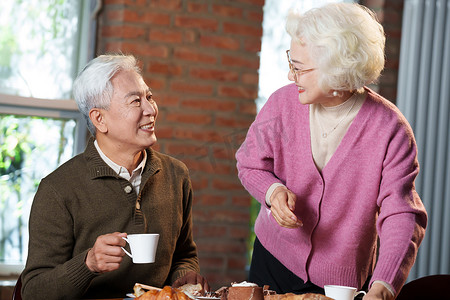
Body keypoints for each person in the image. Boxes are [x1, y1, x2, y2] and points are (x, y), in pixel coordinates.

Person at [235, 3, 427, 300]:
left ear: (337, 68)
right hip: (273, 261)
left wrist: (384, 285)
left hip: (342, 284)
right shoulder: (280, 104)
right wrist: (273, 192)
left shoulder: (391, 130)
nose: (290, 76)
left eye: (299, 68)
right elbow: (249, 163)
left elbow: (401, 214)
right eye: (291, 63)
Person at [21, 54, 209, 299]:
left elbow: (184, 255)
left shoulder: (176, 175)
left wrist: (185, 276)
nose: (150, 109)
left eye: (149, 97)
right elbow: (34, 291)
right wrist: (88, 264)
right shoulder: (58, 190)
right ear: (100, 119)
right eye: (135, 101)